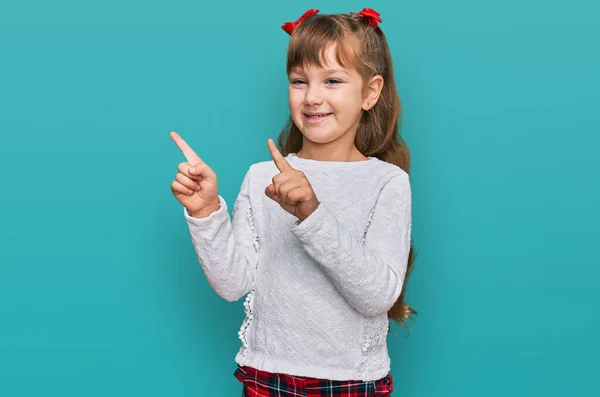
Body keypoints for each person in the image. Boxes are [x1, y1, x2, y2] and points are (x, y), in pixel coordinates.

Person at [170, 7, 417, 397]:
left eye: (332, 80)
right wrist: (205, 212)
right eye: (299, 81)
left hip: (352, 379)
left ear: (370, 92)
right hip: (266, 374)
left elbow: (378, 297)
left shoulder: (387, 183)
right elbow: (233, 284)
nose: (312, 97)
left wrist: (312, 215)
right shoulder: (259, 178)